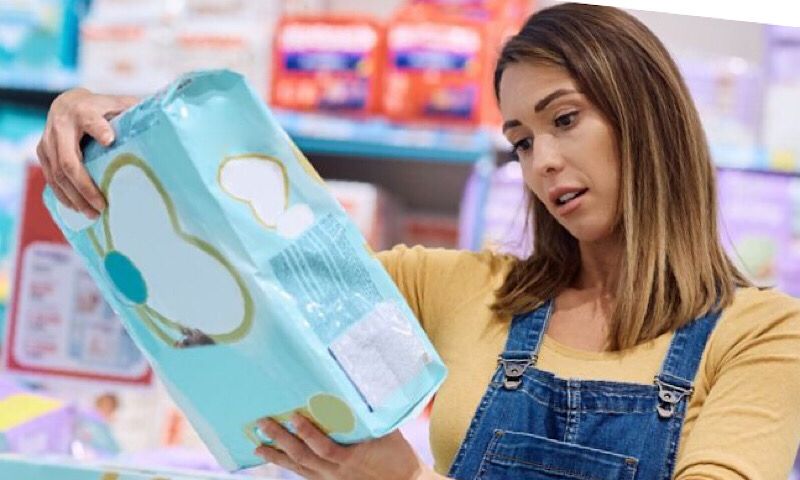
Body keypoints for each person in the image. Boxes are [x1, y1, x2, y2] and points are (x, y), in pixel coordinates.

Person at [36, 3, 800, 479]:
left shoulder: (761, 337)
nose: (542, 162)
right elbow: (256, 270)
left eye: (564, 120)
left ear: (648, 115)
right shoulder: (471, 291)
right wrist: (119, 129)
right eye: (521, 141)